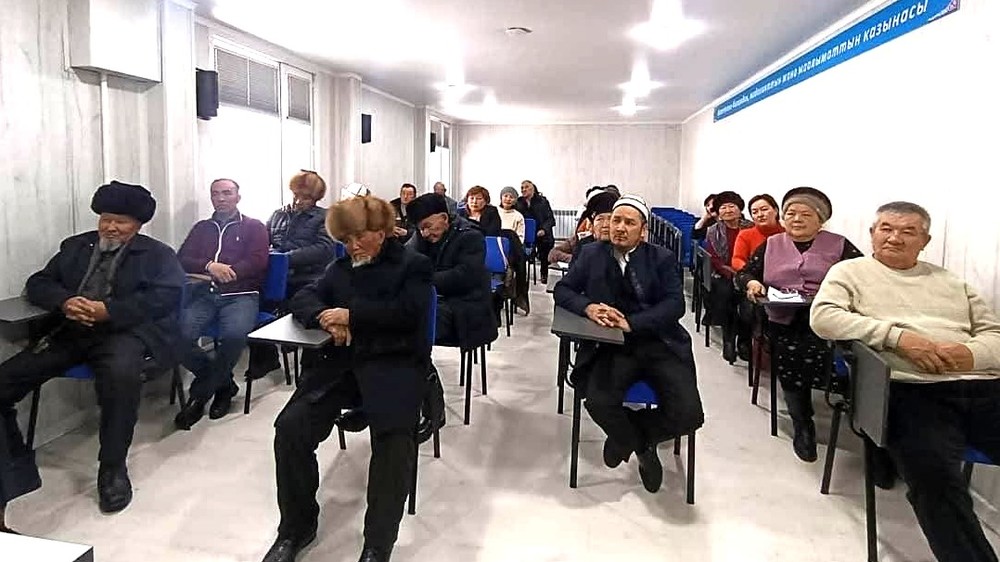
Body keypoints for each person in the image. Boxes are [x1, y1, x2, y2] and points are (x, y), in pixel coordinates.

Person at [811, 201, 1000, 562]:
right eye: (886, 229)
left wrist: (969, 354)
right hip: (910, 390)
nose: (895, 238)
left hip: (981, 384)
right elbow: (824, 318)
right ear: (872, 234)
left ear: (924, 241)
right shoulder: (849, 273)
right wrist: (898, 338)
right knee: (936, 481)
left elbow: (994, 335)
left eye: (908, 231)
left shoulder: (951, 282)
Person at [0, 181, 184, 521]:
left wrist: (108, 311)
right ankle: (12, 461)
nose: (111, 227)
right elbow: (39, 282)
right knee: (5, 381)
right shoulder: (75, 246)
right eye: (106, 219)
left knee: (120, 382)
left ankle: (112, 468)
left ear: (138, 225)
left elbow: (165, 298)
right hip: (70, 331)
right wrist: (65, 302)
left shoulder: (158, 254)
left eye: (121, 221)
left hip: (123, 334)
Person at [263, 195, 432, 562]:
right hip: (340, 368)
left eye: (360, 236)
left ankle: (377, 544)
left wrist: (352, 316)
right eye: (346, 239)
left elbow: (408, 314)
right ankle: (296, 527)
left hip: (394, 366)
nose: (354, 246)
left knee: (393, 443)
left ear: (382, 231)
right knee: (290, 429)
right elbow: (304, 298)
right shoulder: (340, 268)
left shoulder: (413, 265)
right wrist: (325, 318)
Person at [554, 195, 705, 493]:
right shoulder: (592, 254)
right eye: (616, 220)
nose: (620, 227)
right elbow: (563, 290)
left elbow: (675, 305)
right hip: (612, 345)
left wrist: (633, 323)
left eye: (629, 222)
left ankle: (631, 438)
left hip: (658, 342)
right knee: (598, 401)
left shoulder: (661, 258)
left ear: (643, 230)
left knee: (689, 414)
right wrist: (588, 307)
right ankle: (640, 447)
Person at [736, 187, 861, 462]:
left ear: (821, 220)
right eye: (790, 213)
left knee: (855, 360)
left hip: (830, 317)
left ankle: (862, 424)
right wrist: (752, 282)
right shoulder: (772, 244)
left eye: (805, 214)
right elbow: (744, 273)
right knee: (792, 355)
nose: (796, 219)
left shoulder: (839, 245)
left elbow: (862, 277)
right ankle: (802, 423)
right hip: (784, 319)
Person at [174, 179, 269, 430]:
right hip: (204, 294)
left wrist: (230, 272)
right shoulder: (201, 228)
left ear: (238, 197)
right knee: (177, 338)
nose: (221, 198)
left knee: (234, 336)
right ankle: (224, 385)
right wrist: (209, 266)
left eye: (227, 193)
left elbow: (258, 261)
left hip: (241, 294)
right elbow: (182, 258)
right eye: (216, 194)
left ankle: (200, 395)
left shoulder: (254, 227)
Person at [406, 194, 498, 440]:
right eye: (420, 228)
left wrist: (422, 280)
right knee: (396, 330)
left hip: (464, 310)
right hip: (434, 302)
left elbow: (463, 276)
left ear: (444, 218)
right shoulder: (423, 235)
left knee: (411, 336)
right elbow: (406, 259)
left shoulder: (471, 237)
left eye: (428, 226)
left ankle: (433, 410)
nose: (425, 233)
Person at [266, 170, 336, 294]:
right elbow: (262, 242)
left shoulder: (325, 217)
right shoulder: (278, 215)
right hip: (275, 276)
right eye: (296, 195)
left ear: (315, 199)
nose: (298, 201)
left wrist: (285, 258)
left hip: (309, 279)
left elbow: (324, 249)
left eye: (306, 198)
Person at [705, 191, 753, 362]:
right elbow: (714, 259)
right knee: (725, 295)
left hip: (748, 273)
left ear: (740, 209)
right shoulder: (713, 231)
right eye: (723, 207)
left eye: (731, 206)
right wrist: (731, 273)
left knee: (749, 304)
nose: (727, 210)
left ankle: (744, 341)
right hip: (723, 273)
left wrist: (744, 274)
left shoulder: (751, 227)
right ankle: (729, 340)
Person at [549, 191, 618, 265]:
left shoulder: (621, 247)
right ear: (592, 223)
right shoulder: (583, 242)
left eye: (610, 219)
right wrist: (578, 260)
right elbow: (553, 253)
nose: (605, 225)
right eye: (600, 219)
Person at [516, 180, 556, 283]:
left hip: (541, 232)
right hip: (525, 233)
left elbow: (550, 219)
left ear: (533, 188)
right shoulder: (518, 202)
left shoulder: (542, 201)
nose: (524, 189)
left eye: (526, 187)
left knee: (545, 246)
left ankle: (544, 273)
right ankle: (521, 273)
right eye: (522, 188)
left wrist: (543, 229)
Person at [731, 194, 784, 271]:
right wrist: (749, 272)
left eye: (764, 209)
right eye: (755, 212)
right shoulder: (745, 235)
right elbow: (737, 259)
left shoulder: (788, 232)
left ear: (776, 210)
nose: (760, 215)